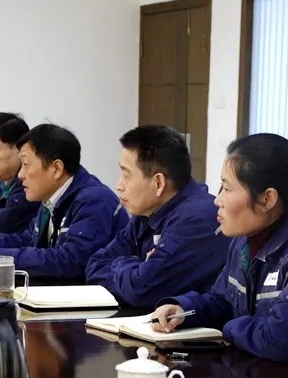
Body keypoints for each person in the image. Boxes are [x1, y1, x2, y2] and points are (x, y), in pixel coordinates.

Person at [150, 133, 288, 378]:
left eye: (227, 188)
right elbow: (223, 301)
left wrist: (229, 328)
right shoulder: (244, 241)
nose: (218, 200)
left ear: (268, 199)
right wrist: (184, 310)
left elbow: (284, 340)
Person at [0, 123, 128, 280]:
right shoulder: (51, 198)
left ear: (56, 168)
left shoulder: (94, 200)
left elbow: (72, 261)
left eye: (26, 165)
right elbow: (29, 239)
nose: (20, 175)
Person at [85, 125, 228, 308]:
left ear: (158, 182)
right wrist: (135, 269)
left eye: (127, 175)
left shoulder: (196, 219)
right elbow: (95, 265)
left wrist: (122, 265)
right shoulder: (147, 213)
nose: (119, 185)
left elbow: (142, 291)